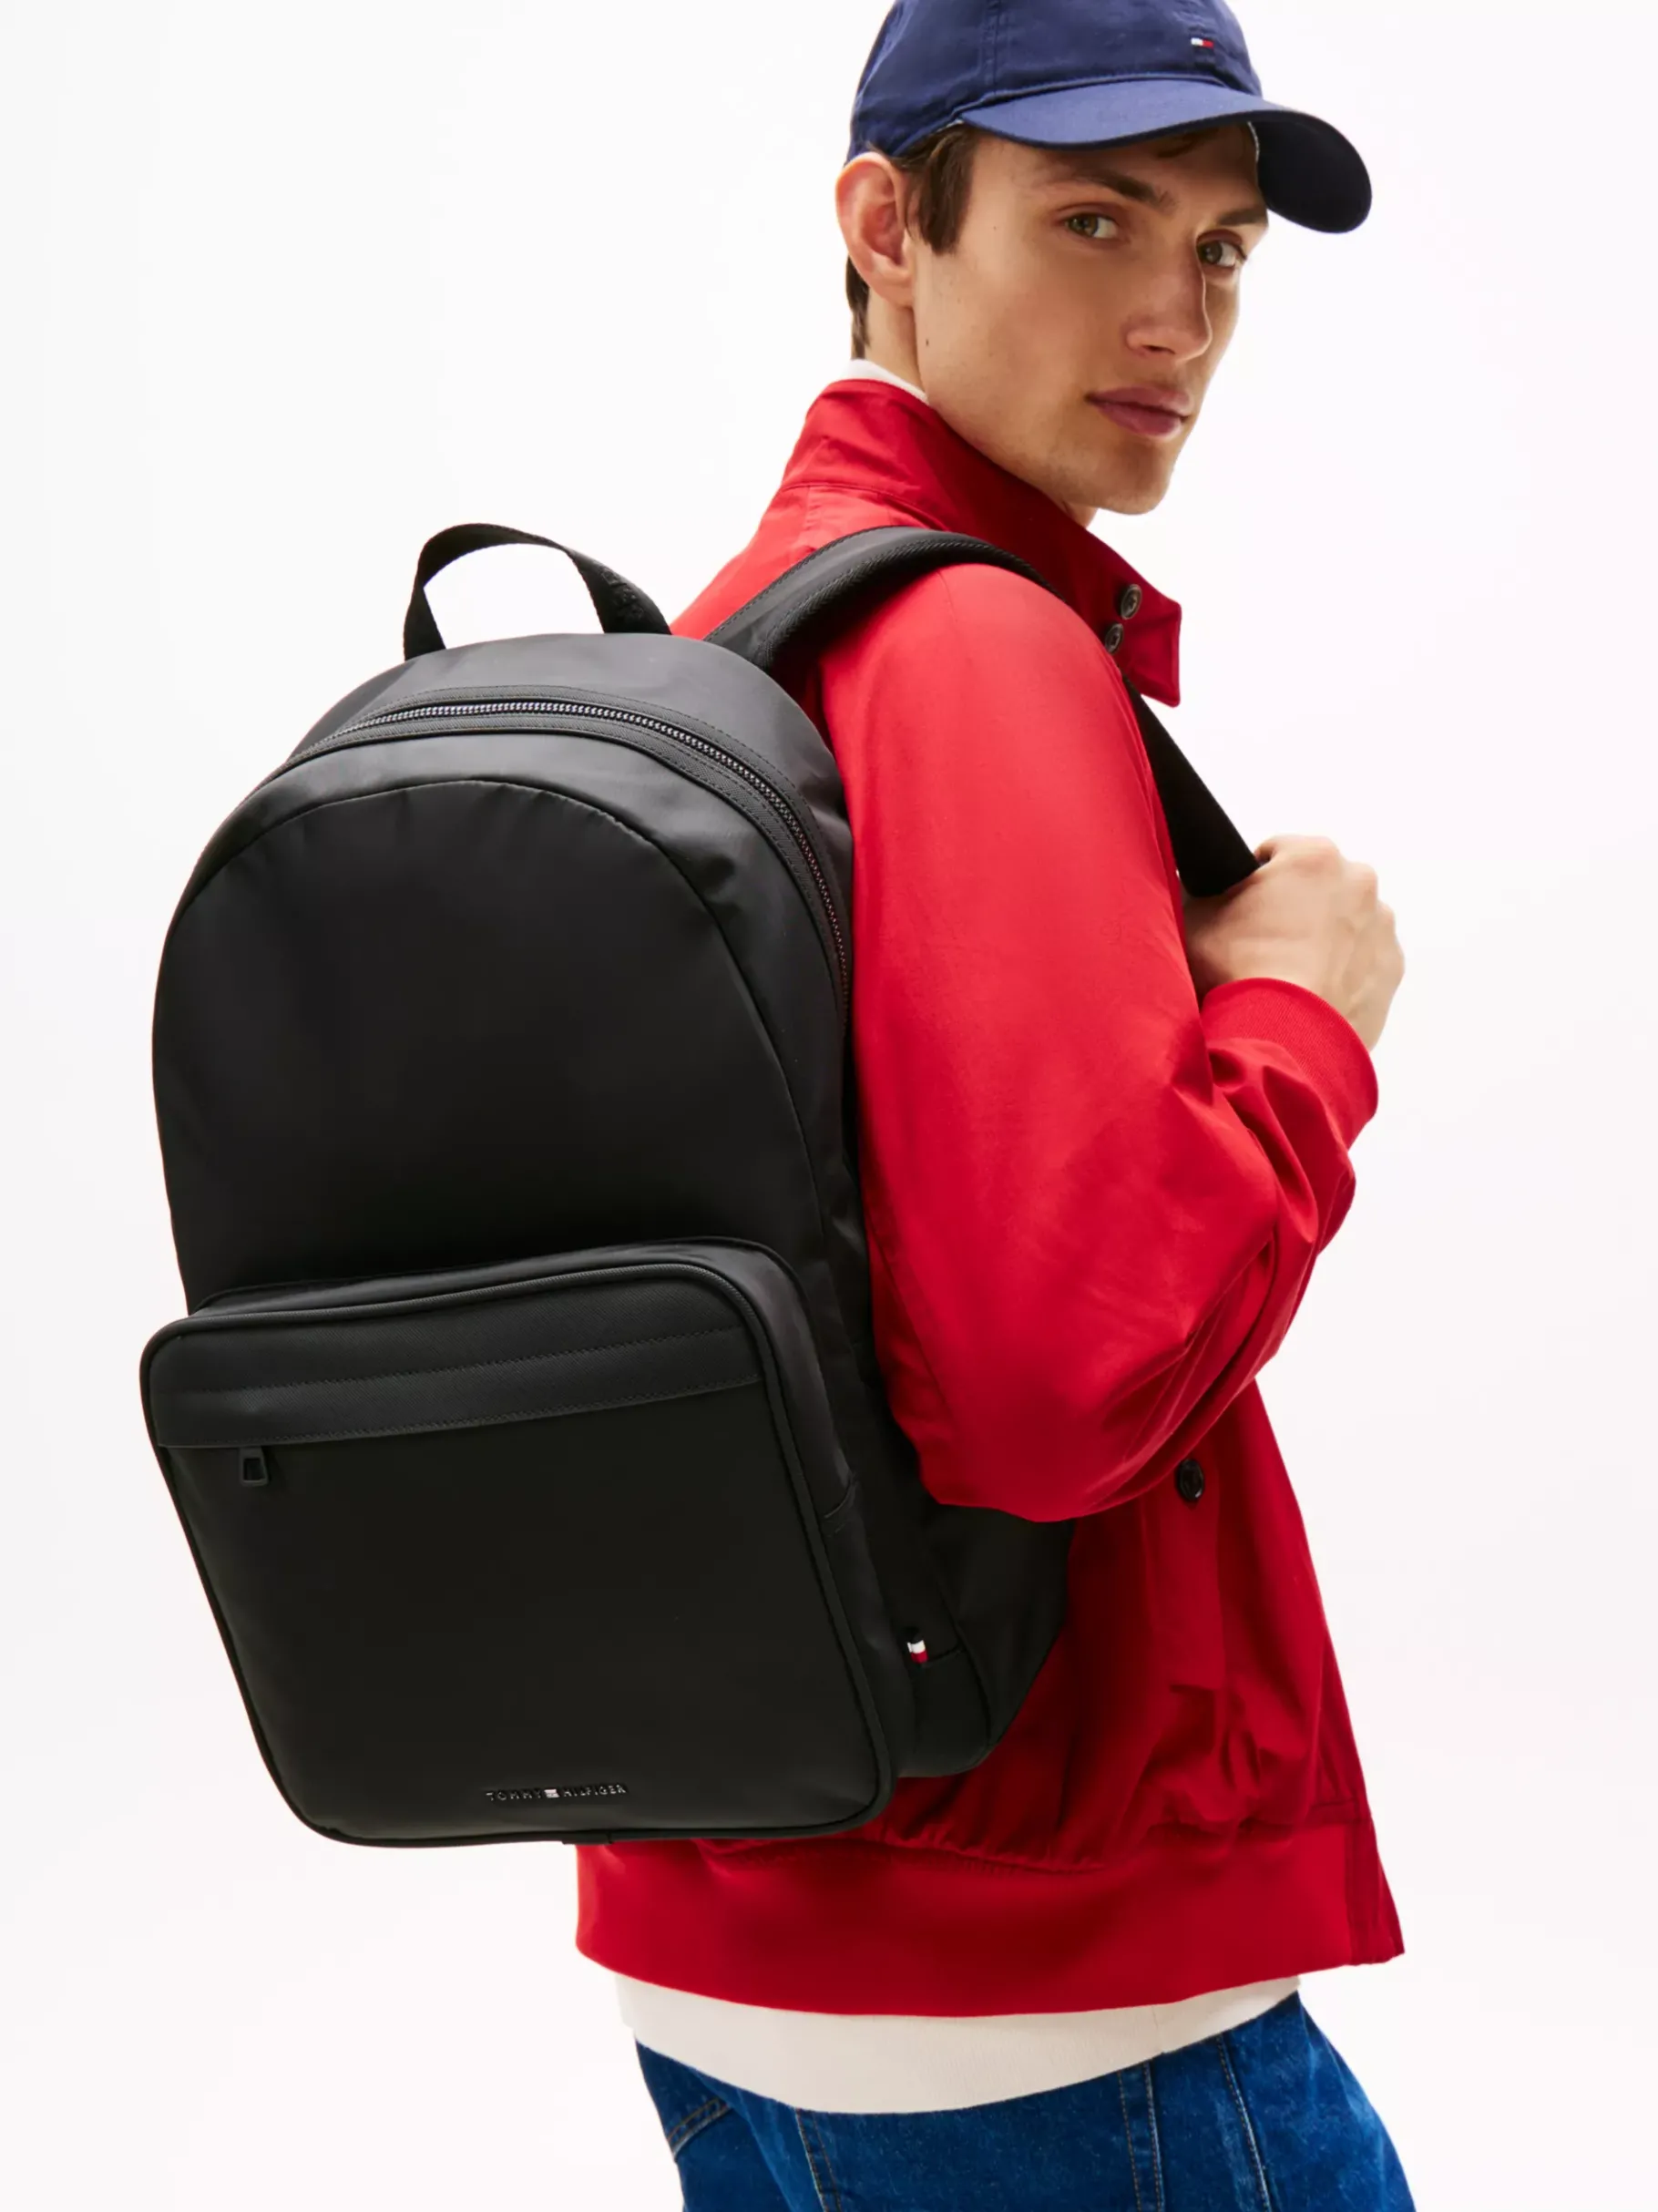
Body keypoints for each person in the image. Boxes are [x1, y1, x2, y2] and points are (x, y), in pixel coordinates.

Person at [574, 3, 1414, 2203]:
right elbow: (1054, 1386)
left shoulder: (733, 632)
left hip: (749, 1929)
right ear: (887, 224)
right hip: (1053, 2000)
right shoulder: (975, 641)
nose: (1174, 320)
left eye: (1219, 251)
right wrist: (1304, 1021)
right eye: (1092, 221)